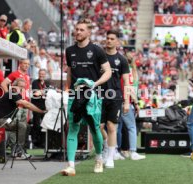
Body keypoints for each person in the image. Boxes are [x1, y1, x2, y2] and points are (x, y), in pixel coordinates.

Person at [61, 18, 112, 176]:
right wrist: (67, 89)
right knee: (73, 128)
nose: (78, 32)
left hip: (93, 94)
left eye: (81, 30)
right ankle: (71, 165)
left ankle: (98, 158)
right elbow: (69, 71)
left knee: (95, 128)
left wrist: (95, 84)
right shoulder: (69, 50)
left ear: (89, 32)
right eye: (76, 29)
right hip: (75, 94)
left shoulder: (97, 50)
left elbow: (108, 72)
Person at [0, 78, 46, 157]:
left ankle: (17, 149)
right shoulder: (12, 93)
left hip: (5, 120)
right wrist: (41, 111)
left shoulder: (16, 94)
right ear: (14, 86)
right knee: (22, 126)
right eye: (20, 86)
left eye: (24, 87)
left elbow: (26, 105)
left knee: (25, 126)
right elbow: (26, 104)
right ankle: (18, 151)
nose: (22, 89)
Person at [100, 29, 130, 169]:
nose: (109, 40)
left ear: (117, 42)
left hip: (115, 97)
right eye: (108, 38)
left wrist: (127, 101)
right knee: (98, 127)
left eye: (112, 38)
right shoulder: (99, 57)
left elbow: (127, 81)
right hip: (99, 96)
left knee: (111, 126)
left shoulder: (122, 60)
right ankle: (107, 144)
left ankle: (110, 157)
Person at [117, 52, 146, 160]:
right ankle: (133, 151)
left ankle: (116, 151)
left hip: (118, 100)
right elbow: (130, 89)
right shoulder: (131, 72)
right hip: (126, 101)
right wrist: (136, 103)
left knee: (118, 127)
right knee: (132, 127)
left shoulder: (121, 71)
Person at [31, 69, 50, 148]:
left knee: (44, 124)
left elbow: (48, 93)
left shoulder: (47, 83)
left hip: (44, 106)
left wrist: (43, 92)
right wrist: (45, 91)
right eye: (40, 74)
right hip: (36, 106)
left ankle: (43, 142)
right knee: (36, 123)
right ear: (38, 74)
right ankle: (35, 142)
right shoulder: (35, 82)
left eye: (43, 74)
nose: (41, 75)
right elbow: (36, 93)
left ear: (45, 75)